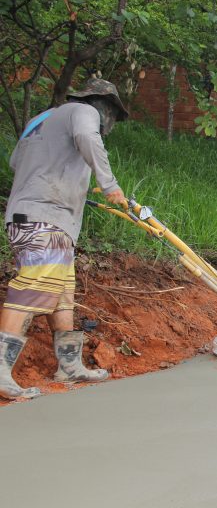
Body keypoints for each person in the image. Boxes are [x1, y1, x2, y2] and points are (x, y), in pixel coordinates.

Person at [0, 78, 129, 400]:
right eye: (111, 115)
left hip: (34, 217)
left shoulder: (42, 119)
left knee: (61, 294)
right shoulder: (84, 111)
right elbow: (87, 137)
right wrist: (109, 184)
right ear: (105, 105)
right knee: (32, 288)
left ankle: (69, 367)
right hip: (45, 219)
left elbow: (16, 162)